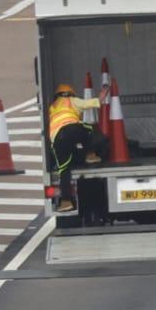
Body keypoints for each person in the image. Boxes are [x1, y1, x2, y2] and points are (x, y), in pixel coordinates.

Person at [46, 82, 105, 212]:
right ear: (70, 93)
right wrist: (101, 96)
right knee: (90, 129)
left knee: (64, 171)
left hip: (57, 140)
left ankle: (66, 202)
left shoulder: (52, 107)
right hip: (72, 128)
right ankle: (90, 155)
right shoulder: (72, 100)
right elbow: (90, 104)